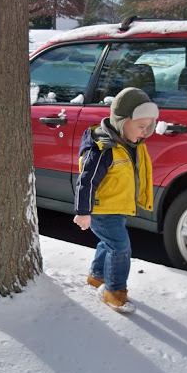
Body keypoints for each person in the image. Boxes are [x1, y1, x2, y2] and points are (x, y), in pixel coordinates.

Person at [73, 87, 159, 313]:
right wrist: (83, 211)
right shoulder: (103, 148)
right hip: (101, 210)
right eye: (141, 126)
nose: (145, 131)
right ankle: (114, 292)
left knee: (109, 243)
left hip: (116, 208)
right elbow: (86, 181)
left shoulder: (130, 144)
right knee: (120, 247)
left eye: (149, 126)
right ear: (122, 122)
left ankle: (97, 277)